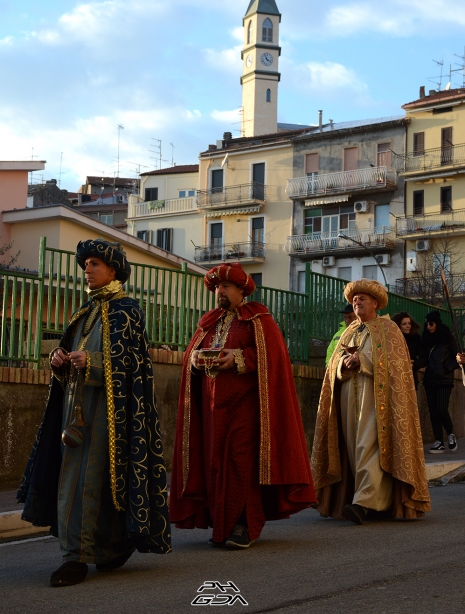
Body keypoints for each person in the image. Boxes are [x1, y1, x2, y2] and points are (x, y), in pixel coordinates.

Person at [17, 239, 171, 586]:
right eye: (84, 265)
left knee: (88, 482)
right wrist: (59, 360)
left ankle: (77, 557)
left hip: (109, 415)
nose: (86, 271)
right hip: (74, 409)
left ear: (113, 270)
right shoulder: (83, 312)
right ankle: (99, 549)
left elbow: (136, 363)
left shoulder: (128, 310)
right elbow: (71, 356)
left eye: (93, 265)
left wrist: (95, 361)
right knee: (77, 479)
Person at [170, 262, 316, 549]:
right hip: (213, 410)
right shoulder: (208, 322)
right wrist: (196, 360)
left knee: (240, 464)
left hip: (246, 408)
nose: (219, 292)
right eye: (216, 288)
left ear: (240, 290)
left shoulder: (259, 318)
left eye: (225, 287)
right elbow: (191, 357)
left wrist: (239, 358)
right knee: (214, 464)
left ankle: (243, 526)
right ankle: (221, 526)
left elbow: (272, 358)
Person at [311, 278, 430, 525]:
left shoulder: (388, 329)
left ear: (375, 303)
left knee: (369, 446)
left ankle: (364, 503)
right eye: (354, 300)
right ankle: (368, 500)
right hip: (347, 397)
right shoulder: (349, 331)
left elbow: (397, 368)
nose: (356, 302)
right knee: (353, 448)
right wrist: (342, 367)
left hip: (377, 398)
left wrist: (363, 362)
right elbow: (333, 367)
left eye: (362, 298)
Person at [422, 310, 459, 454]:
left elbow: (457, 357)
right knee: (433, 412)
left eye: (431, 324)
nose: (429, 327)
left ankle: (450, 434)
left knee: (441, 409)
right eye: (427, 324)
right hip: (430, 379)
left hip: (444, 380)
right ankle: (439, 441)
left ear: (437, 323)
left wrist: (446, 368)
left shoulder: (448, 338)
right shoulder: (425, 339)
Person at [391, 311, 428, 389]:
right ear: (398, 326)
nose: (408, 326)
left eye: (409, 323)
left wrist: (414, 364)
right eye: (404, 324)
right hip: (395, 375)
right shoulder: (392, 339)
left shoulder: (415, 338)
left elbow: (425, 358)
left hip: (410, 376)